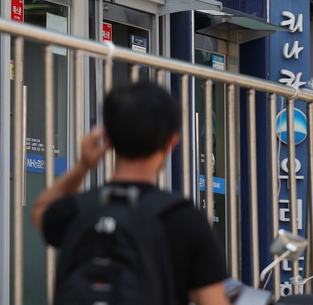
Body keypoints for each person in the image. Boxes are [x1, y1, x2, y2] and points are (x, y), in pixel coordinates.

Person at [31, 81, 229, 305]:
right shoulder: (184, 219)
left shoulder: (78, 210)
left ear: (108, 139)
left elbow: (40, 210)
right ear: (171, 143)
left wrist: (83, 166)